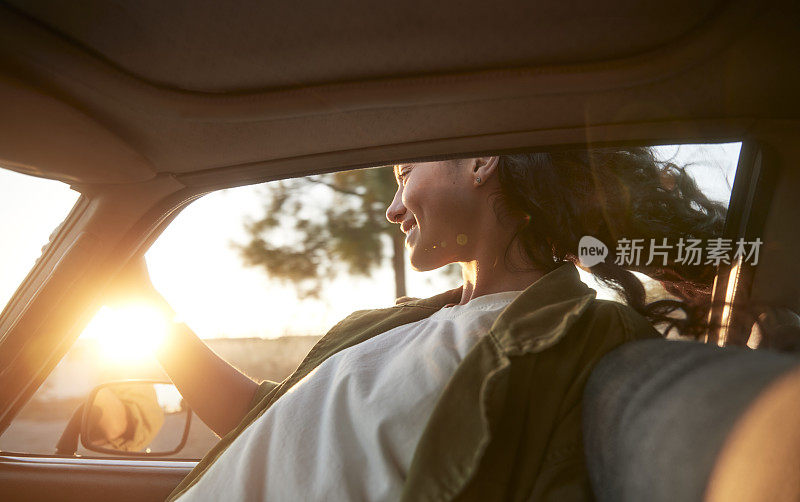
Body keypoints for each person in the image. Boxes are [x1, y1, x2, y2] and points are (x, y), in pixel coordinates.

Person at [113, 149, 726, 501]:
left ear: (482, 161)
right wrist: (149, 310)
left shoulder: (586, 335)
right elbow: (268, 421)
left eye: (405, 174)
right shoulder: (404, 322)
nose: (392, 206)